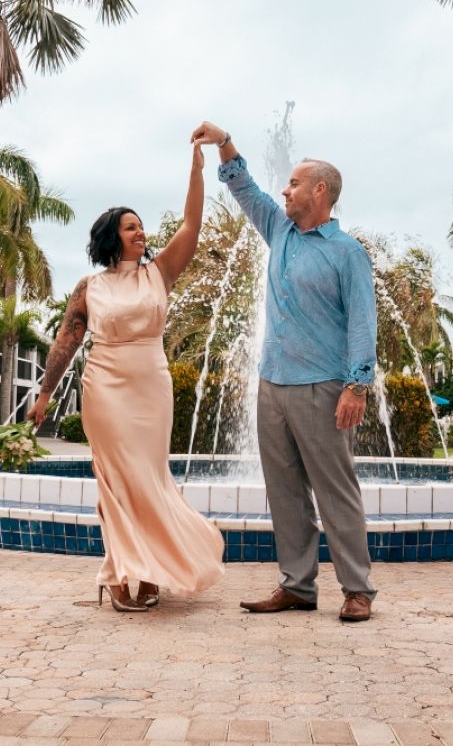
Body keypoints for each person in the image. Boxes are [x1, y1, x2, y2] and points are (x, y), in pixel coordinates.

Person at [190, 120, 378, 623]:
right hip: (271, 384)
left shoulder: (347, 253)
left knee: (335, 490)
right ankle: (297, 586)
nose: (284, 190)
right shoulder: (280, 230)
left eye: (293, 184)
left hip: (323, 386)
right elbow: (245, 190)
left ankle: (357, 589)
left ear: (320, 191)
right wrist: (225, 142)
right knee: (285, 492)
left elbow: (363, 322)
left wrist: (358, 383)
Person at [30, 142, 224, 613]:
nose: (141, 232)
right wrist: (45, 393)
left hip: (151, 385)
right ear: (112, 237)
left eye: (141, 226)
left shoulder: (160, 273)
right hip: (105, 386)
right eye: (131, 226)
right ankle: (121, 571)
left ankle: (151, 565)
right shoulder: (89, 288)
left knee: (150, 478)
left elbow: (191, 226)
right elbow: (66, 342)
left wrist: (196, 171)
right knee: (116, 481)